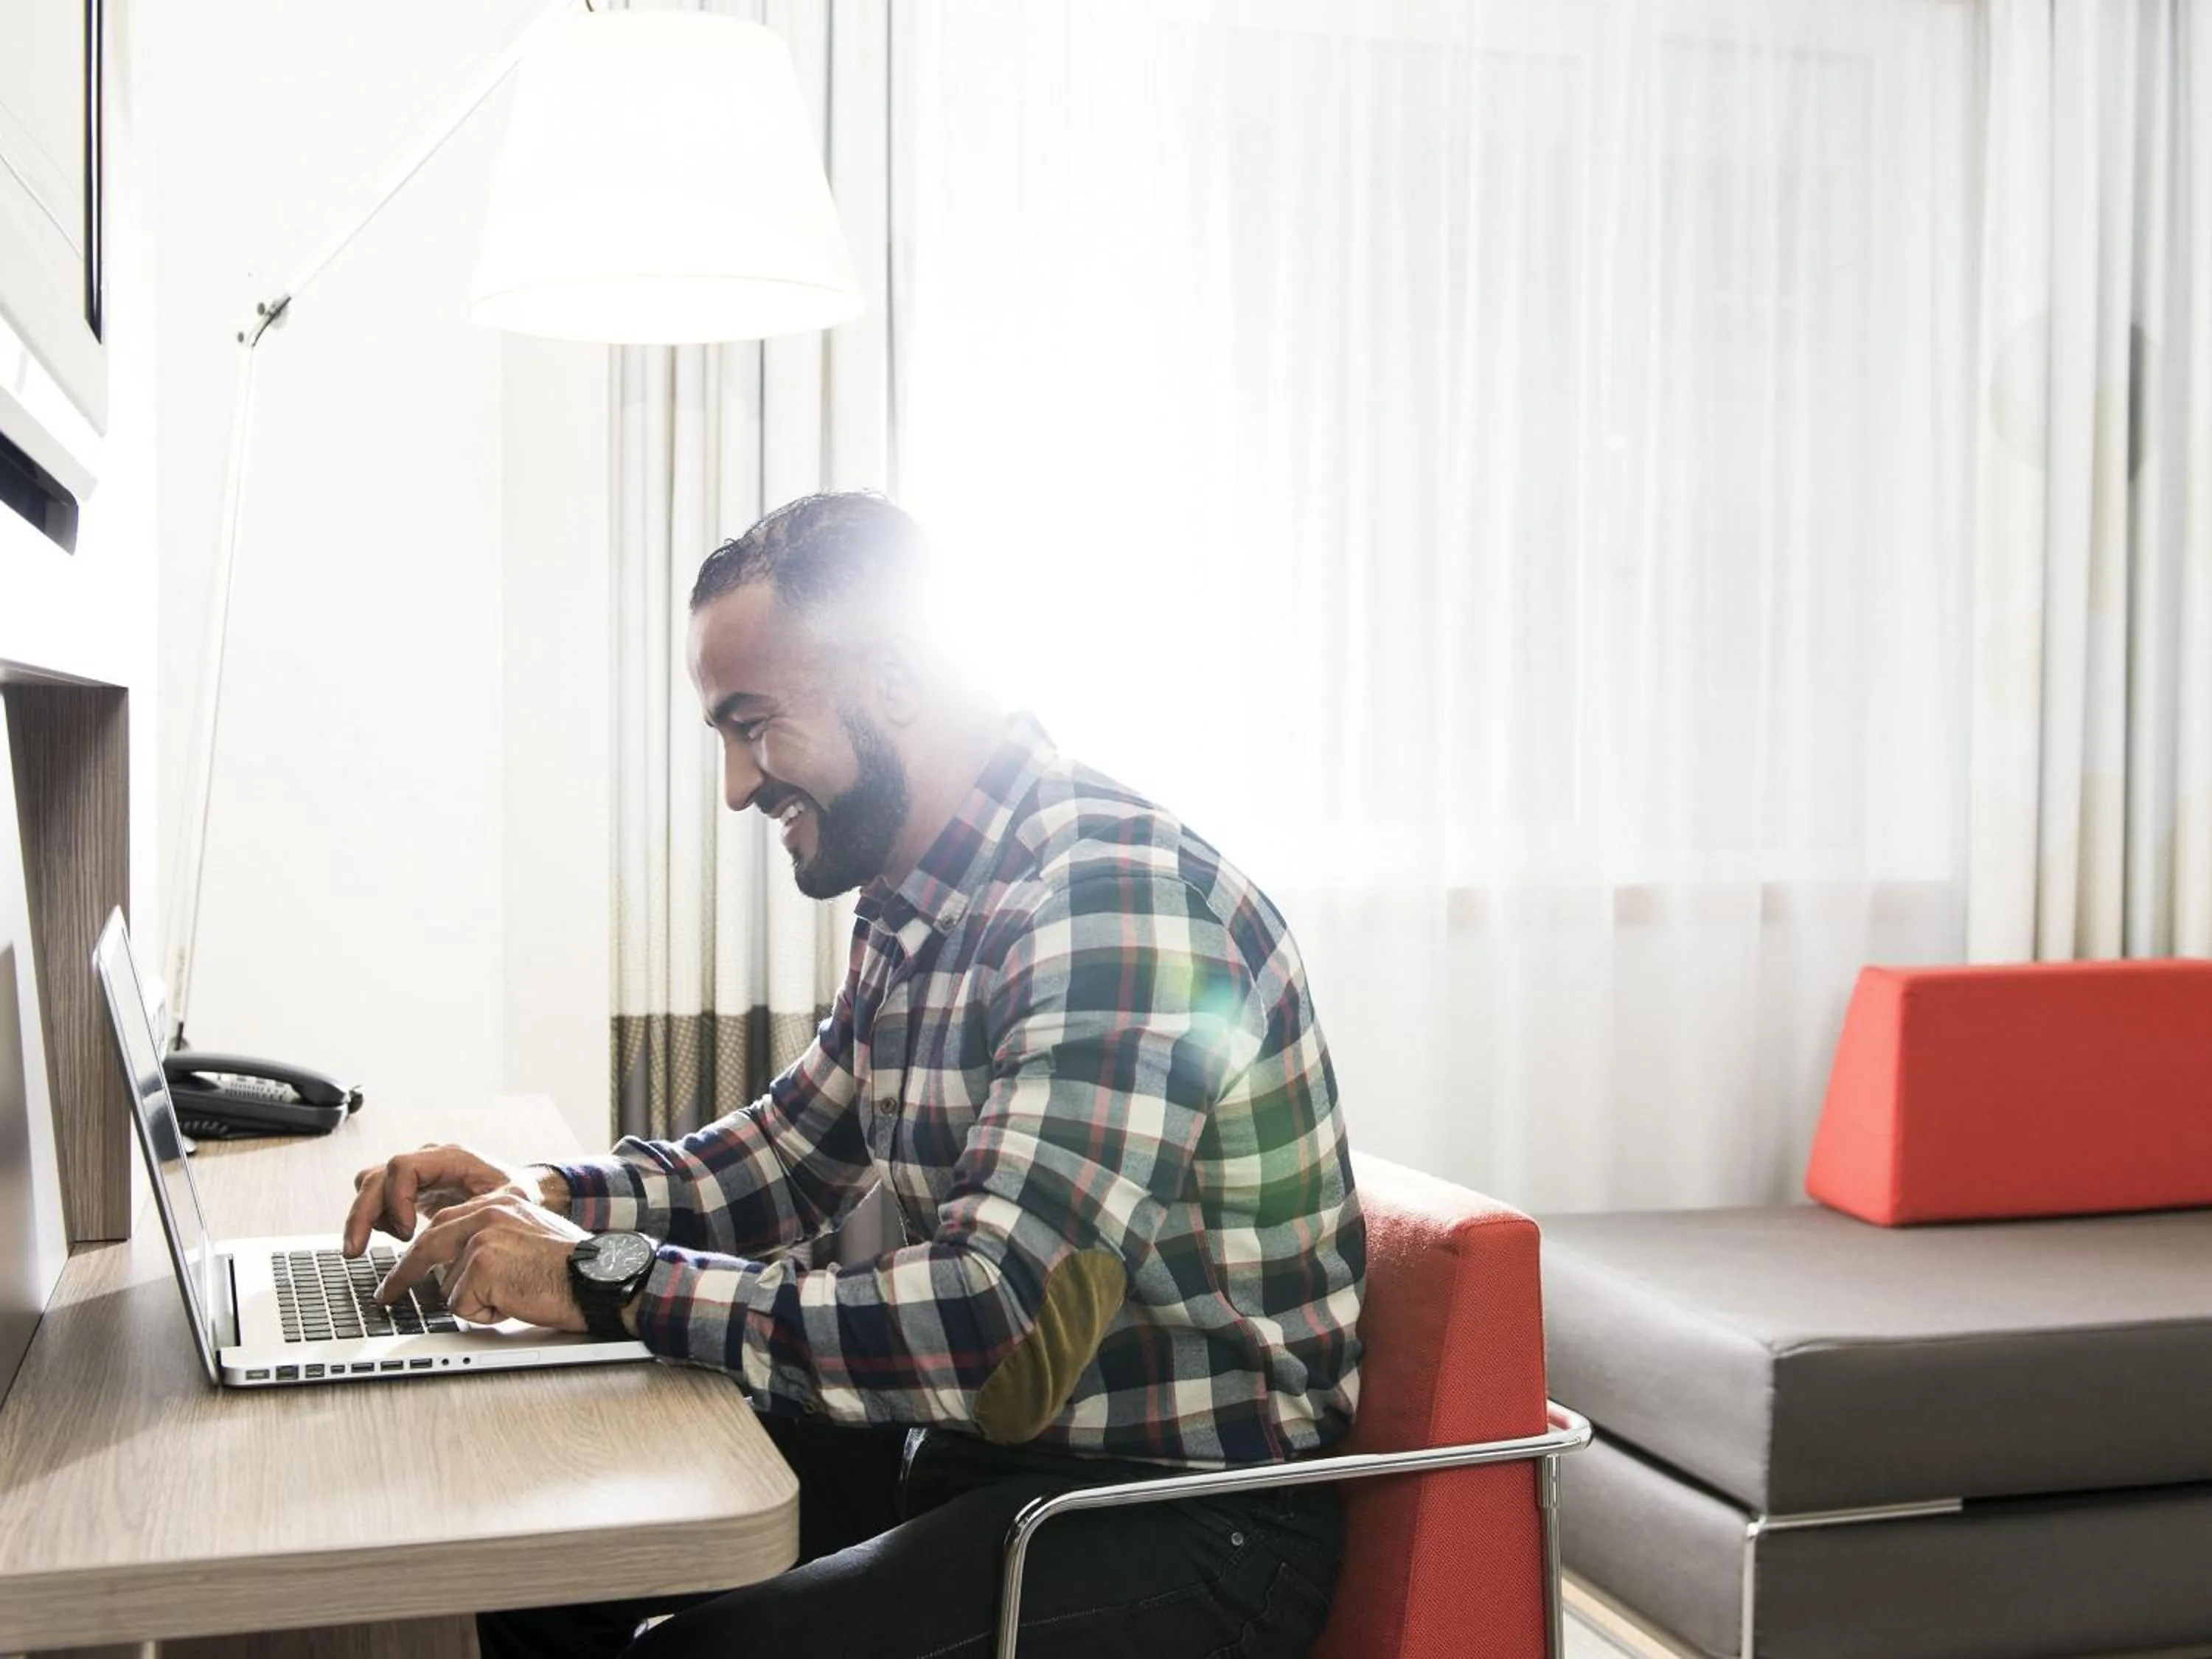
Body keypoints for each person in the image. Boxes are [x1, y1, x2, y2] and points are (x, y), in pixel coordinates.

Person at [341, 493, 1366, 1659]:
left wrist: (607, 1277)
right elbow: (787, 1156)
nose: (735, 785)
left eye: (753, 723)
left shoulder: (1107, 904)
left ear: (891, 684)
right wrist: (541, 1200)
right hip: (982, 1454)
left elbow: (999, 1323)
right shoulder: (919, 891)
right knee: (554, 1549)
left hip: (1184, 1525)